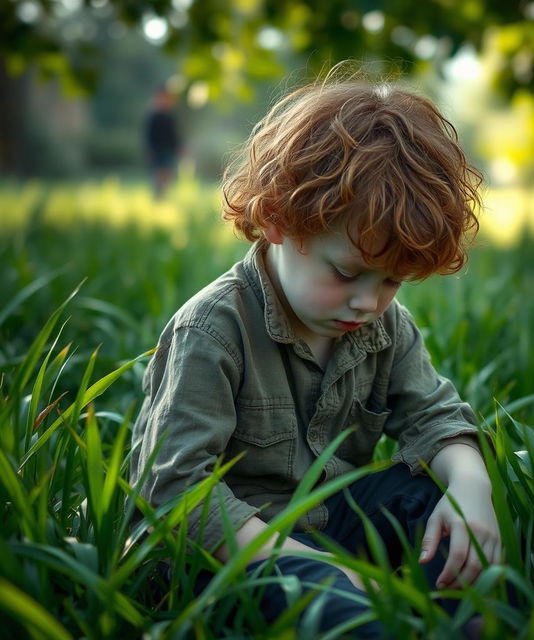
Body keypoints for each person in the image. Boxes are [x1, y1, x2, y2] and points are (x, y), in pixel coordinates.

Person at [130, 71, 501, 638]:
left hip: (326, 528)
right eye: (347, 272)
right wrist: (320, 565)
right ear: (279, 220)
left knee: (433, 499)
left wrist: (471, 489)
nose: (367, 301)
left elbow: (436, 417)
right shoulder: (214, 330)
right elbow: (175, 493)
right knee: (333, 607)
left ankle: (457, 619)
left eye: (392, 282)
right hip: (228, 555)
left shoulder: (382, 324)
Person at [144, 86, 181, 199]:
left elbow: (173, 135)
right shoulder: (153, 117)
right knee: (159, 173)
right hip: (157, 150)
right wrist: (150, 149)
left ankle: (163, 195)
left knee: (167, 174)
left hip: (168, 150)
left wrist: (177, 147)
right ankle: (157, 195)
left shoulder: (170, 117)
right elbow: (149, 135)